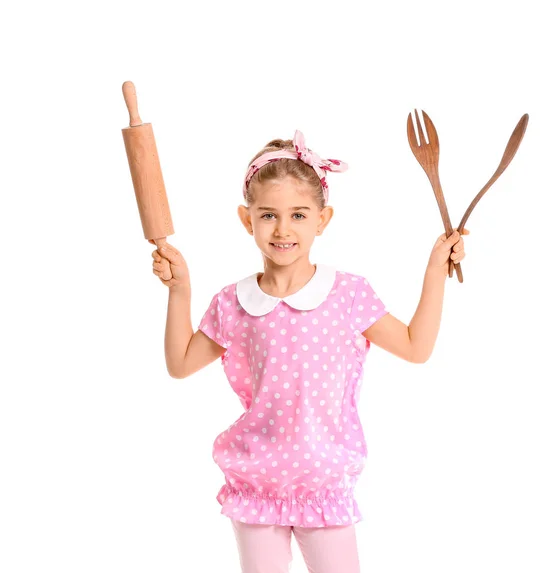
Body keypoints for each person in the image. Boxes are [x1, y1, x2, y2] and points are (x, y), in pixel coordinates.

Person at [150, 130, 469, 573]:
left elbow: (416, 347)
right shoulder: (232, 302)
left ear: (322, 219)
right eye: (268, 215)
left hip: (324, 485)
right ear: (247, 220)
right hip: (256, 484)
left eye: (298, 214)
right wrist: (180, 291)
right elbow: (180, 364)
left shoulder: (348, 295)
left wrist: (435, 270)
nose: (283, 229)